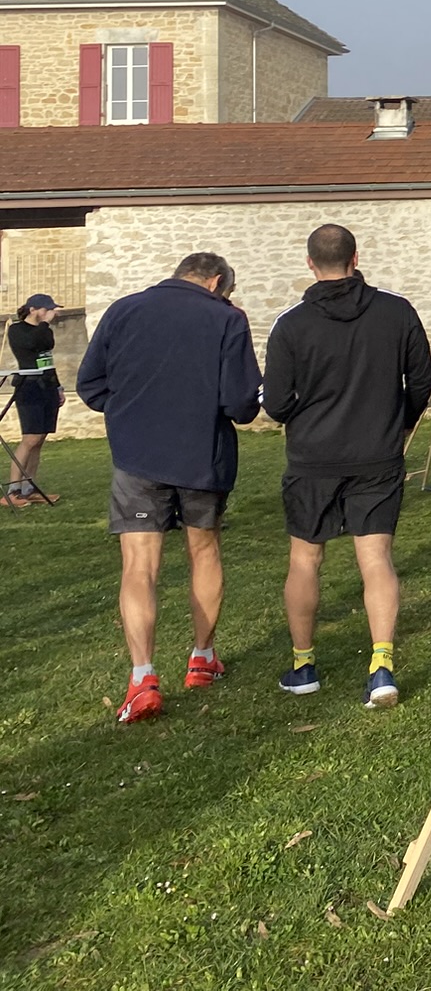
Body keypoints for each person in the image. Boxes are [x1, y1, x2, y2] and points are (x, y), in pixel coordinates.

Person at [77, 252, 261, 724]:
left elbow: (90, 384)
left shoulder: (123, 309)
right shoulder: (227, 319)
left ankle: (142, 676)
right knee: (204, 551)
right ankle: (202, 657)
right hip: (202, 454)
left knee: (139, 565)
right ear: (216, 282)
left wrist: (130, 411)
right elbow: (241, 403)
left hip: (137, 456)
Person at [262, 224, 431, 708]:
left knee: (305, 559)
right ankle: (381, 666)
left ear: (310, 263)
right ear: (355, 258)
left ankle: (303, 665)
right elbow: (422, 381)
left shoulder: (291, 324)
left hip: (313, 456)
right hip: (376, 452)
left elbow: (275, 403)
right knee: (375, 558)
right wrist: (401, 421)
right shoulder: (397, 311)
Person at [6, 293, 64, 506]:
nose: (51, 313)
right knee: (30, 438)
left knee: (40, 439)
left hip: (47, 386)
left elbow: (47, 355)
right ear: (33, 310)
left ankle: (29, 488)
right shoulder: (17, 330)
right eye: (46, 309)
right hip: (29, 388)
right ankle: (13, 490)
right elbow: (32, 344)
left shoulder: (45, 331)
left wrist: (58, 387)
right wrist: (45, 323)